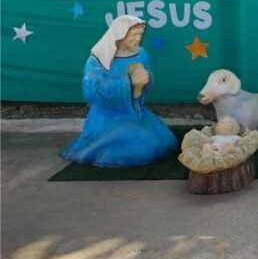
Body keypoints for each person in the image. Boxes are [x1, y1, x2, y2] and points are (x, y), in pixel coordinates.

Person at [61, 15, 178, 167]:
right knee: (144, 146)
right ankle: (104, 149)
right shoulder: (98, 60)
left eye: (140, 35)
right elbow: (91, 89)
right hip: (109, 117)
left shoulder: (141, 54)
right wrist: (128, 81)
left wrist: (147, 78)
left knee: (166, 142)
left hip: (137, 112)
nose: (138, 39)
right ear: (120, 35)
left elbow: (146, 78)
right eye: (134, 35)